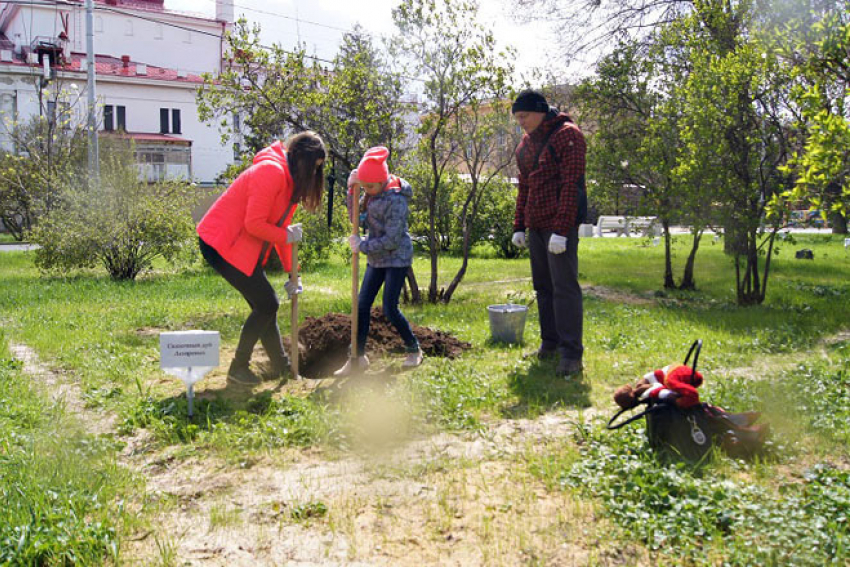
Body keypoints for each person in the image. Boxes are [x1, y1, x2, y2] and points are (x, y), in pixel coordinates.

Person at [197, 131, 326, 385]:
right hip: (221, 242)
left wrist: (293, 274)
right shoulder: (271, 172)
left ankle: (281, 366)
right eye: (312, 167)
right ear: (299, 158)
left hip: (242, 246)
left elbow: (284, 234)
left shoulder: (290, 184)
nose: (313, 174)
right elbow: (254, 224)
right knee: (267, 303)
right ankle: (238, 368)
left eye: (318, 169)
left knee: (264, 306)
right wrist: (286, 236)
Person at [510, 90, 586, 377]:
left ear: (540, 111)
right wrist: (519, 225)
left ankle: (571, 354)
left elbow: (572, 185)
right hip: (536, 226)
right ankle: (550, 344)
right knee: (543, 289)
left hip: (559, 228)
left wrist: (562, 229)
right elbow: (525, 188)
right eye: (517, 117)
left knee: (564, 289)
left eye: (524, 115)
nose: (521, 122)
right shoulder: (524, 146)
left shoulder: (569, 136)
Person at [334, 146, 423, 376]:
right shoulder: (371, 192)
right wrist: (351, 190)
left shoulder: (396, 200)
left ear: (382, 181)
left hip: (396, 259)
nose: (367, 192)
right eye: (364, 188)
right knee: (362, 305)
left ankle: (414, 349)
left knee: (389, 308)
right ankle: (357, 357)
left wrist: (363, 246)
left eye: (369, 187)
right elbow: (357, 217)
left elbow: (392, 239)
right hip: (377, 259)